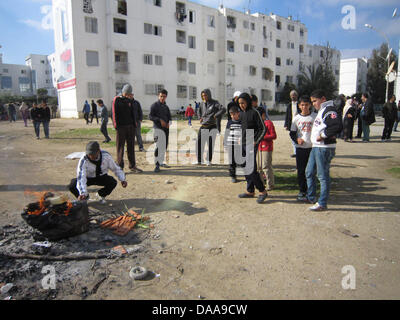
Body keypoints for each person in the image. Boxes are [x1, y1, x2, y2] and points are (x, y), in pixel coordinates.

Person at [305, 90, 343, 211]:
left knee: (322, 176)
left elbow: (336, 126)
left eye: (315, 101)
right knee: (309, 172)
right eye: (312, 102)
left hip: (324, 148)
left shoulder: (329, 109)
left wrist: (323, 136)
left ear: (323, 99)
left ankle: (322, 203)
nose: (314, 104)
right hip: (316, 147)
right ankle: (310, 196)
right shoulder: (321, 111)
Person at [237, 93, 268, 204]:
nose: (241, 105)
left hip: (251, 143)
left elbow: (263, 129)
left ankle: (262, 191)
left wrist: (256, 140)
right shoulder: (241, 114)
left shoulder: (255, 112)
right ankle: (250, 191)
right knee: (244, 167)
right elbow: (243, 128)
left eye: (243, 103)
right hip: (243, 143)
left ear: (248, 102)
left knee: (251, 169)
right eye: (240, 103)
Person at [290, 96, 316, 201]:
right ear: (299, 106)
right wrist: (297, 139)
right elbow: (292, 133)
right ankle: (302, 190)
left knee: (311, 171)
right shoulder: (296, 118)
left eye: (306, 104)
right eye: (302, 105)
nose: (304, 107)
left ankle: (311, 191)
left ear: (310, 105)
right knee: (301, 171)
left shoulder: (315, 116)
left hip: (312, 147)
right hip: (300, 148)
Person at [112, 84, 142, 173]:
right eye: (127, 94)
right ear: (123, 93)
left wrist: (135, 123)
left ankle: (132, 166)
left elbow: (135, 112)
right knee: (120, 147)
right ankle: (120, 167)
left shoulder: (132, 101)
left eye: (130, 94)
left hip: (131, 127)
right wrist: (116, 126)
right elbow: (114, 113)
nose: (129, 95)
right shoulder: (117, 100)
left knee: (131, 147)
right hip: (121, 127)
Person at [196, 89, 226, 165]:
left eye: (205, 95)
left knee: (210, 144)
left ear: (209, 95)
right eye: (202, 96)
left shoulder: (215, 103)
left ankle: (208, 160)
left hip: (212, 126)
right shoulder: (202, 103)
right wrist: (200, 117)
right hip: (203, 126)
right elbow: (198, 111)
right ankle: (199, 160)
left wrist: (216, 115)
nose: (204, 97)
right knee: (199, 143)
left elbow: (223, 109)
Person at [149, 89, 172, 172]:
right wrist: (159, 120)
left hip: (166, 129)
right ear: (158, 96)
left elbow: (170, 117)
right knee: (158, 146)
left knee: (164, 146)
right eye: (161, 96)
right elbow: (150, 116)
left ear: (166, 97)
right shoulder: (154, 106)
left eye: (164, 96)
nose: (162, 98)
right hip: (157, 129)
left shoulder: (166, 107)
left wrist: (169, 123)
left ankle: (161, 162)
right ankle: (157, 165)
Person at [257, 106, 277, 191]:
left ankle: (270, 184)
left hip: (267, 148)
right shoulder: (257, 124)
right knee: (259, 167)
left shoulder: (268, 123)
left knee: (266, 166)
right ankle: (261, 184)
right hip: (258, 148)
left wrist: (263, 137)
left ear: (263, 115)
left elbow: (274, 135)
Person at [224, 106, 242, 183]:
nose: (232, 116)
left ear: (238, 113)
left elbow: (243, 132)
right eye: (231, 115)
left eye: (234, 114)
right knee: (231, 161)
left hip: (239, 145)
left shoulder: (242, 122)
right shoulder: (229, 122)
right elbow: (226, 133)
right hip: (230, 144)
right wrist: (225, 144)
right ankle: (233, 176)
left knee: (239, 160)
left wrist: (241, 139)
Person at [284, 90, 301, 158]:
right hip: (291, 124)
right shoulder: (289, 105)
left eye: (294, 95)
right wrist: (286, 124)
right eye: (292, 95)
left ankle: (299, 151)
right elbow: (287, 115)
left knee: (299, 137)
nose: (293, 97)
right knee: (293, 138)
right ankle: (295, 152)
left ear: (297, 96)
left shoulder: (300, 104)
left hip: (299, 123)